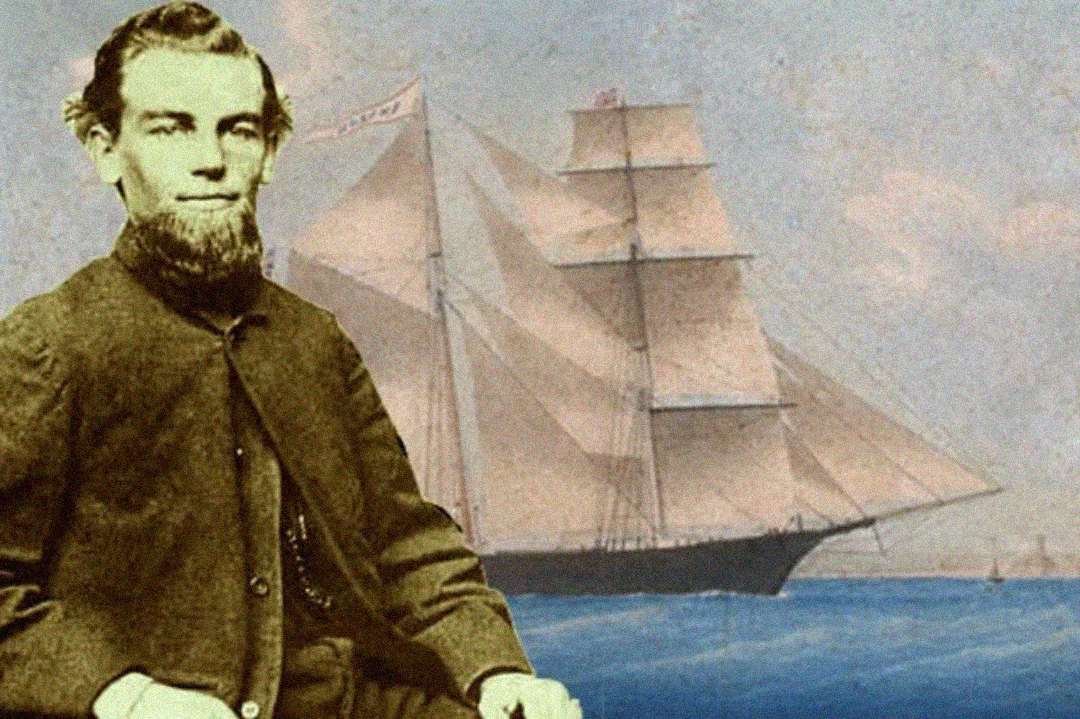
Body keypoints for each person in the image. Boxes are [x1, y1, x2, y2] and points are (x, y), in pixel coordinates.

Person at [0, 3, 582, 718]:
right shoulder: (49, 345)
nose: (210, 160)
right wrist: (125, 697)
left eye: (238, 130)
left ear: (270, 153)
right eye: (170, 128)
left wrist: (496, 673)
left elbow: (408, 545)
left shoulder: (314, 341)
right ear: (105, 149)